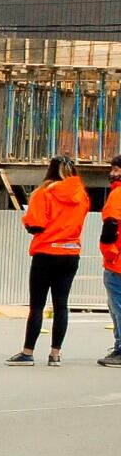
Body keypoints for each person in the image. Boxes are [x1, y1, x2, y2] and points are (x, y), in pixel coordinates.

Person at [5, 155, 90, 367]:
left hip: (46, 253)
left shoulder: (44, 193)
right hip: (70, 253)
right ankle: (55, 354)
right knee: (61, 305)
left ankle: (28, 352)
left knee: (37, 305)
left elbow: (35, 224)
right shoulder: (82, 194)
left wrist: (27, 221)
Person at [98, 155, 121, 367]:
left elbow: (110, 227)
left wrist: (109, 254)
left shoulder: (117, 195)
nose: (112, 173)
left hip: (117, 264)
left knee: (118, 307)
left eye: (116, 169)